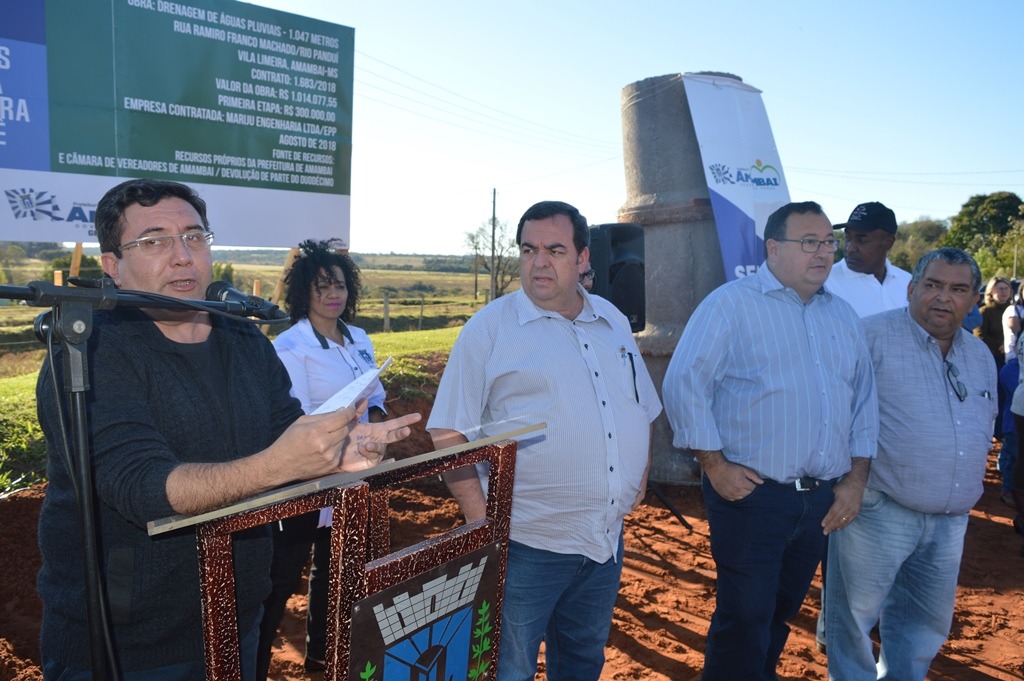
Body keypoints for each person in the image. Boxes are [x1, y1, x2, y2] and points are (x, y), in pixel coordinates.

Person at [35, 179, 420, 680]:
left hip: (235, 618)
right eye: (154, 241)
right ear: (113, 265)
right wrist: (278, 464)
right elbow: (143, 486)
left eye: (194, 237)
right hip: (126, 645)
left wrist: (343, 451)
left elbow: (284, 431)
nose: (182, 256)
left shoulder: (242, 337)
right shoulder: (88, 352)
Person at [427, 200, 661, 681]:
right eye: (529, 249)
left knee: (581, 661)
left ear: (583, 259)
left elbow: (642, 406)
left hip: (603, 540)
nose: (539, 261)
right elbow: (448, 432)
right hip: (526, 545)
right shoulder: (489, 330)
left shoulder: (613, 321)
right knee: (507, 669)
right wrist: (483, 524)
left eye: (555, 249)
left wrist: (641, 471)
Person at [662, 200, 878, 681]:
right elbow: (684, 384)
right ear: (774, 248)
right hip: (751, 498)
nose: (823, 253)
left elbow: (864, 404)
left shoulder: (842, 316)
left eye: (828, 242)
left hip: (819, 501)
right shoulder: (730, 305)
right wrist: (715, 466)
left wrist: (855, 480)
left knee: (777, 615)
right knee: (745, 617)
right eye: (809, 242)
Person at [826, 248, 996, 681]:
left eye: (958, 289)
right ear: (911, 288)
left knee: (922, 627)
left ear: (974, 300)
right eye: (933, 285)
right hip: (878, 510)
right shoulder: (869, 338)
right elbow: (832, 415)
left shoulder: (979, 357)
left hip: (950, 521)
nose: (943, 298)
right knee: (852, 623)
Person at [256, 240, 388, 677]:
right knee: (282, 576)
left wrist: (376, 426)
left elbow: (376, 396)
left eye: (340, 285)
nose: (333, 294)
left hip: (354, 474)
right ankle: (251, 663)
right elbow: (292, 414)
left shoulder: (359, 338)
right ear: (303, 293)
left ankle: (322, 657)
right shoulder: (290, 346)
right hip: (307, 476)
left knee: (337, 569)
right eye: (321, 286)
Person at [825, 201, 911, 318]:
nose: (850, 248)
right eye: (847, 238)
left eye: (861, 240)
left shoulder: (908, 282)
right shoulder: (825, 284)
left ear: (888, 243)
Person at [975, 276, 1012, 367]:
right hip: (992, 356)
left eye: (1006, 288)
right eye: (1000, 289)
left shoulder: (1015, 310)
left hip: (1013, 356)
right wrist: (1000, 346)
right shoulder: (985, 311)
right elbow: (979, 335)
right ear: (991, 291)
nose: (1004, 291)